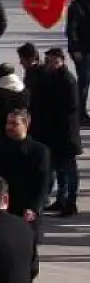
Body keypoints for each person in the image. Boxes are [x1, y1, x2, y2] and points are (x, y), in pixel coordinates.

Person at [31, 49, 81, 216]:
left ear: (61, 61)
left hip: (66, 135)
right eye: (48, 60)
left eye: (53, 61)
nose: (49, 64)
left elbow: (71, 108)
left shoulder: (68, 80)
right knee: (58, 170)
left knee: (68, 169)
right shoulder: (49, 77)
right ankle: (61, 199)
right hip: (53, 134)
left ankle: (71, 201)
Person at [0, 108, 52, 225]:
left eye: (14, 124)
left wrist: (34, 208)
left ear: (26, 125)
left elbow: (43, 182)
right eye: (8, 123)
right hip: (4, 207)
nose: (9, 127)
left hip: (27, 209)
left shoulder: (39, 151)